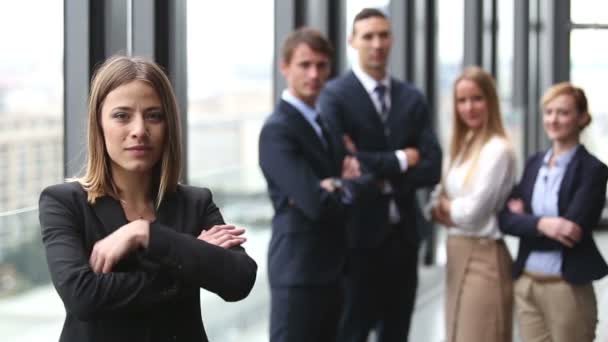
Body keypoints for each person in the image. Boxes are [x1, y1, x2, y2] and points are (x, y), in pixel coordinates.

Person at [39, 55, 257, 342]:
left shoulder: (195, 202)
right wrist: (190, 257)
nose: (139, 130)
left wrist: (144, 233)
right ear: (99, 125)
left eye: (154, 115)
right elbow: (83, 297)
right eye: (122, 115)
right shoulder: (64, 202)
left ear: (169, 126)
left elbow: (239, 280)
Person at [319, 8, 442, 342]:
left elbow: (432, 166)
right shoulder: (334, 96)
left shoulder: (412, 97)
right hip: (355, 239)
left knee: (397, 333)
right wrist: (403, 158)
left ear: (392, 39)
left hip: (405, 238)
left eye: (383, 35)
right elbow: (339, 162)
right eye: (368, 36)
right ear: (352, 42)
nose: (377, 44)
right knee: (352, 332)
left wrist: (369, 166)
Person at [259, 27, 374, 342]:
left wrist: (333, 185)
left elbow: (363, 179)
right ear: (284, 67)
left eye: (321, 66)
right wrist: (339, 184)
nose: (314, 74)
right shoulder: (277, 131)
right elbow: (315, 203)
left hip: (335, 270)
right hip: (299, 274)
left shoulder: (325, 124)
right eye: (304, 64)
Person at [499, 82, 608, 342]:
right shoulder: (534, 163)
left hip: (567, 287)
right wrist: (547, 224)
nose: (553, 119)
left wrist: (527, 219)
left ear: (582, 118)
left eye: (563, 112)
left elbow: (573, 230)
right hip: (527, 283)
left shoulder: (593, 170)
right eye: (548, 112)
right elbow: (505, 219)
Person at [430, 66, 515, 342]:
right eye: (462, 100)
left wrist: (446, 207)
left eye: (477, 98)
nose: (469, 107)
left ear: (490, 100)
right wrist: (446, 207)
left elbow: (474, 214)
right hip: (456, 255)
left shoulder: (498, 149)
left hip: (485, 258)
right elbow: (434, 201)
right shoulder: (462, 144)